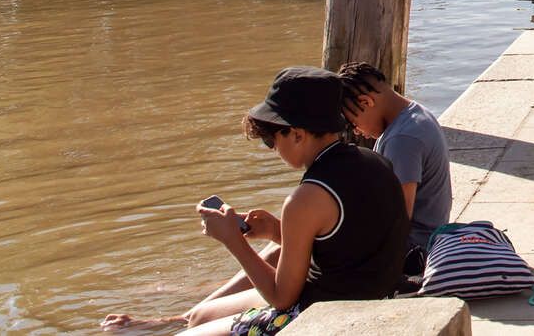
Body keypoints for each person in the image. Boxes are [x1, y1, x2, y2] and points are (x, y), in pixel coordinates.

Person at [104, 68, 409, 333]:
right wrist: (278, 232)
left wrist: (233, 241)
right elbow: (350, 244)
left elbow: (282, 298)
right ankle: (165, 322)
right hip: (368, 296)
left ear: (298, 134)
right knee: (198, 316)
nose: (272, 149)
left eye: (270, 140)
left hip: (325, 315)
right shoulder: (373, 160)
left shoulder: (305, 198)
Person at [336, 63, 452, 273]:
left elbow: (398, 220)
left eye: (353, 123)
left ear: (366, 102)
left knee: (297, 249)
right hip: (427, 236)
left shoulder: (402, 140)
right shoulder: (414, 113)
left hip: (415, 250)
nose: (357, 132)